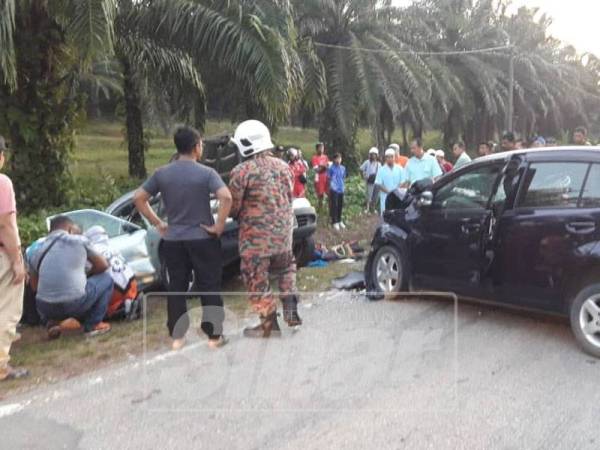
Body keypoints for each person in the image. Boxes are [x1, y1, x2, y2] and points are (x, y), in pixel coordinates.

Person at [135, 126, 231, 350]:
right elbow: (226, 197)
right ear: (196, 146)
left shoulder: (162, 173)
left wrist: (158, 222)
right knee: (209, 285)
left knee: (176, 286)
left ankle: (177, 337)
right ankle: (214, 336)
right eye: (201, 144)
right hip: (202, 238)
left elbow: (139, 197)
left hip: (174, 239)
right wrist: (218, 226)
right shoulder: (206, 173)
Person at [229, 120, 302, 338]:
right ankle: (290, 309)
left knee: (256, 278)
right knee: (287, 268)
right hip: (284, 236)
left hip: (256, 241)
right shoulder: (284, 167)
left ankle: (269, 324)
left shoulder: (241, 171)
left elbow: (233, 206)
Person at [30, 216, 112, 339]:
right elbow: (103, 265)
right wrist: (86, 276)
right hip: (74, 303)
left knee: (44, 296)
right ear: (70, 228)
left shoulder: (37, 251)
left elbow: (34, 287)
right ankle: (93, 324)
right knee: (106, 279)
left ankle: (52, 323)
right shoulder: (79, 241)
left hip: (45, 308)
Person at [0, 136, 28, 381]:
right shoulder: (2, 183)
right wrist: (17, 260)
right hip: (2, 255)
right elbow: (6, 224)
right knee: (7, 310)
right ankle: (0, 364)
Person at [85, 226, 141, 320]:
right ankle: (130, 301)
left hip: (114, 290)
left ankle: (121, 308)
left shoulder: (91, 251)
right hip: (132, 284)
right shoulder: (113, 248)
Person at [375, 148, 406, 215]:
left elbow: (403, 182)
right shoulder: (381, 170)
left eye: (391, 157)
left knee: (398, 216)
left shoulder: (400, 169)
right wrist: (389, 192)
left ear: (394, 157)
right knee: (385, 216)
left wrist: (396, 192)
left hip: (398, 196)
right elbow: (378, 184)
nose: (389, 159)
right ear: (385, 158)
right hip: (385, 197)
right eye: (387, 157)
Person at [328, 153, 347, 230]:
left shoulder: (343, 168)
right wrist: (331, 187)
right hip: (334, 189)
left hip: (341, 189)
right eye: (337, 159)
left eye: (340, 158)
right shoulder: (331, 168)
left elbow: (343, 177)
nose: (338, 160)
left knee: (340, 205)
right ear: (334, 159)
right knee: (334, 206)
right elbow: (329, 178)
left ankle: (339, 220)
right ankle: (334, 221)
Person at [360, 148, 380, 213]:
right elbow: (361, 169)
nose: (373, 156)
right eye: (372, 154)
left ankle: (373, 208)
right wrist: (364, 176)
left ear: (377, 155)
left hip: (377, 181)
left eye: (374, 154)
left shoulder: (378, 164)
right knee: (369, 195)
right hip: (369, 181)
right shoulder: (367, 162)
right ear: (370, 155)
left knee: (375, 196)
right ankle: (367, 208)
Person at [311, 142, 329, 211]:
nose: (321, 149)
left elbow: (328, 166)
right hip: (319, 177)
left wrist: (322, 166)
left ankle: (327, 208)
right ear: (317, 149)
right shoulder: (314, 158)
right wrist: (324, 167)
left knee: (328, 192)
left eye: (322, 148)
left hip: (326, 176)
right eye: (320, 148)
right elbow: (317, 170)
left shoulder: (325, 157)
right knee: (320, 194)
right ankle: (320, 209)